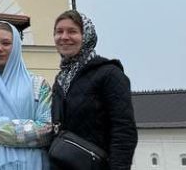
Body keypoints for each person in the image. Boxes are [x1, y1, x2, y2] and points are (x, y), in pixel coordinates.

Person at [51, 10, 137, 170]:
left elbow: (124, 130)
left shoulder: (109, 74)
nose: (64, 37)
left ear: (86, 36)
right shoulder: (61, 80)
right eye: (59, 32)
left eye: (72, 31)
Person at [0, 21, 52, 170]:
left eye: (5, 43)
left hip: (31, 165)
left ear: (16, 45)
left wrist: (0, 129)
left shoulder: (38, 85)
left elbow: (47, 129)